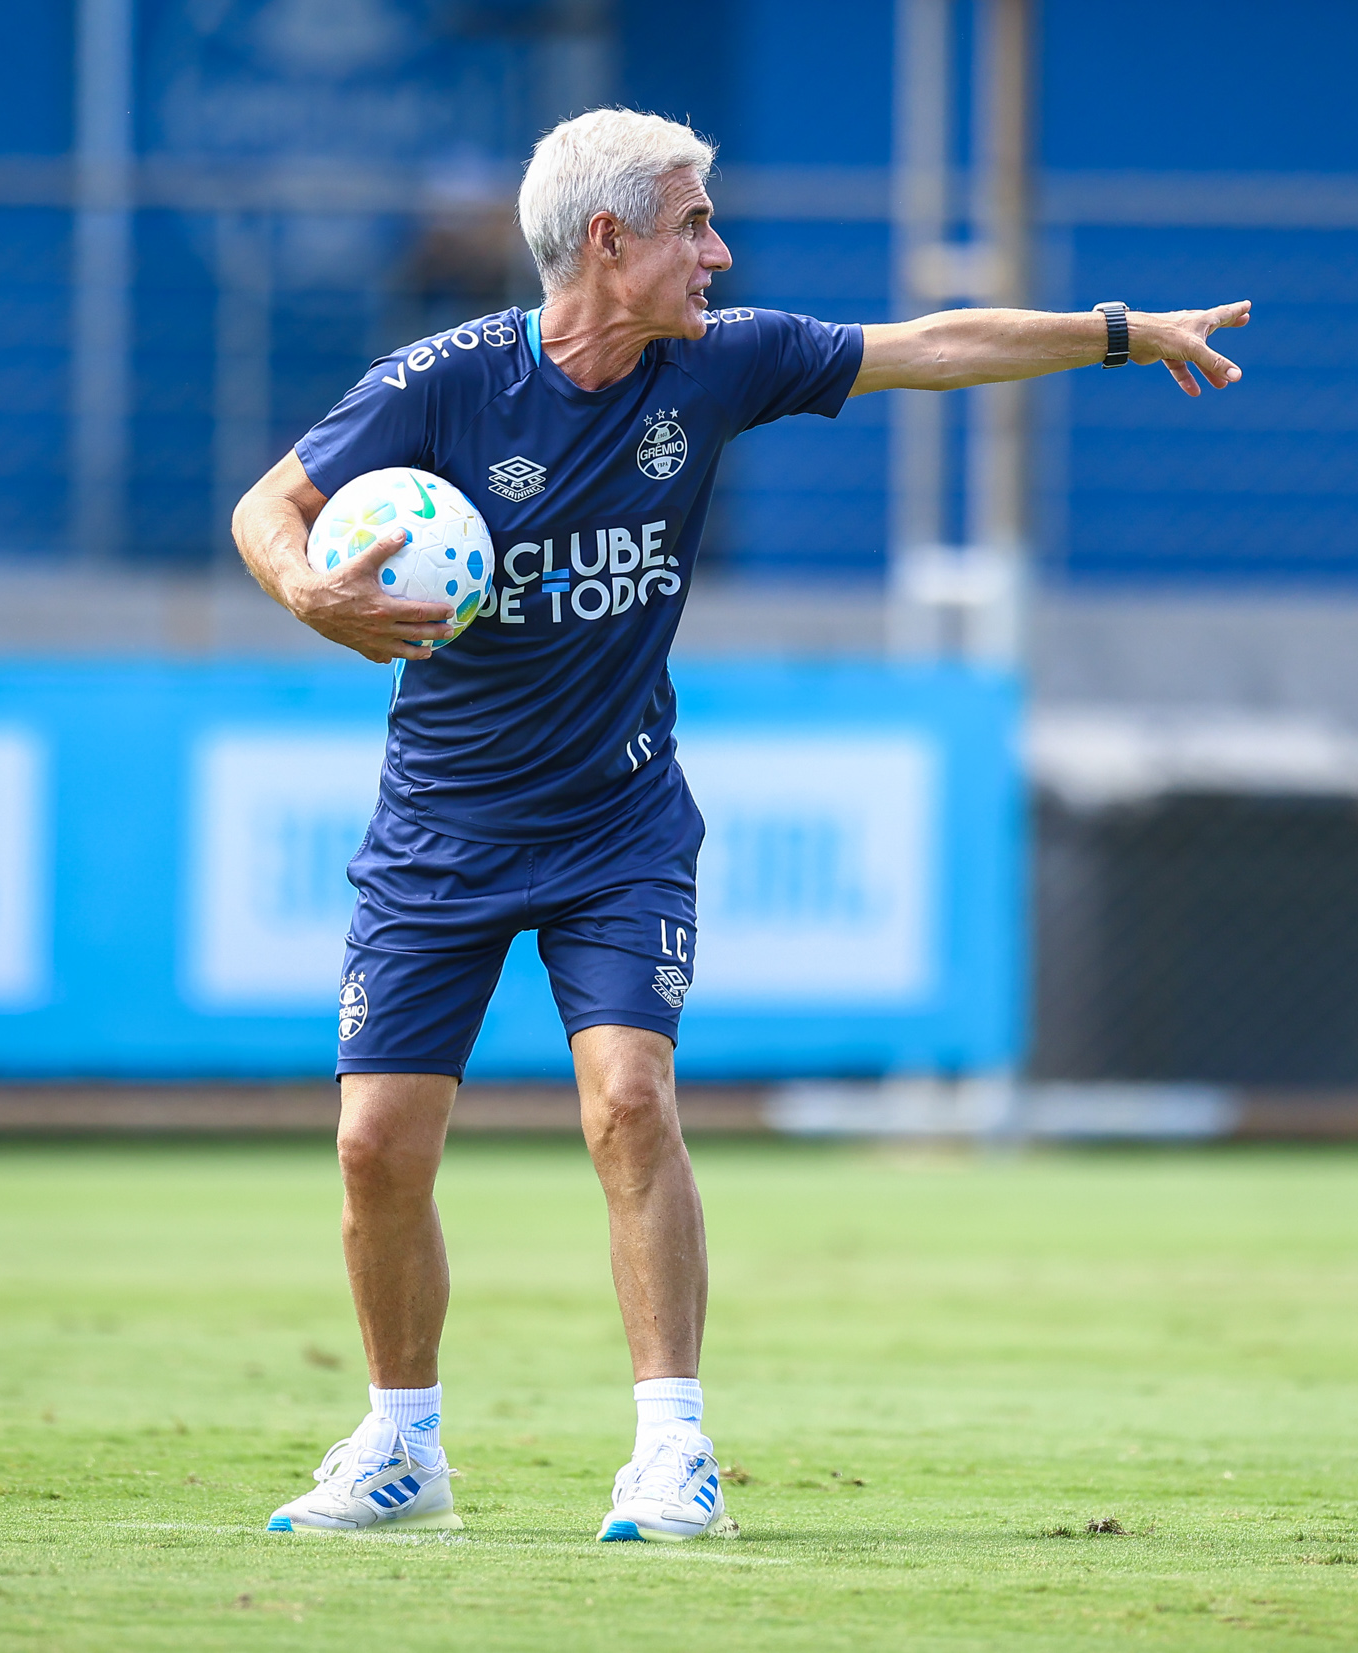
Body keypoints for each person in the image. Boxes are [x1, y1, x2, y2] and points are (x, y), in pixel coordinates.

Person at [230, 107, 1249, 1541]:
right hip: (438, 834)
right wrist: (312, 591)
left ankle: (672, 1452)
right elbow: (270, 506)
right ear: (609, 241)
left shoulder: (718, 363)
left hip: (616, 822)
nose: (721, 250)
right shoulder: (441, 386)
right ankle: (402, 1446)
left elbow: (930, 347)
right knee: (374, 1149)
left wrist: (1126, 331)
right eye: (694, 223)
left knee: (629, 1102)